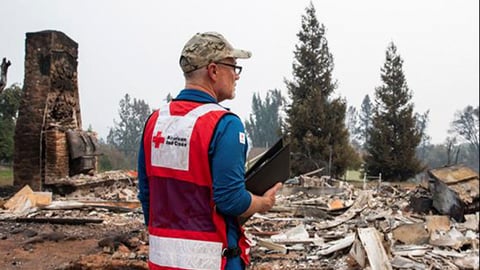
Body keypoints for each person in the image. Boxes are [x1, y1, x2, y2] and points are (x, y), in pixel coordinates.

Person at [137, 32, 283, 270]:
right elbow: (231, 200)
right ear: (213, 71)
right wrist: (262, 202)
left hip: (162, 261)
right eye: (233, 67)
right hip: (214, 261)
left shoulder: (155, 123)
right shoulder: (224, 124)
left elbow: (146, 194)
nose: (236, 75)